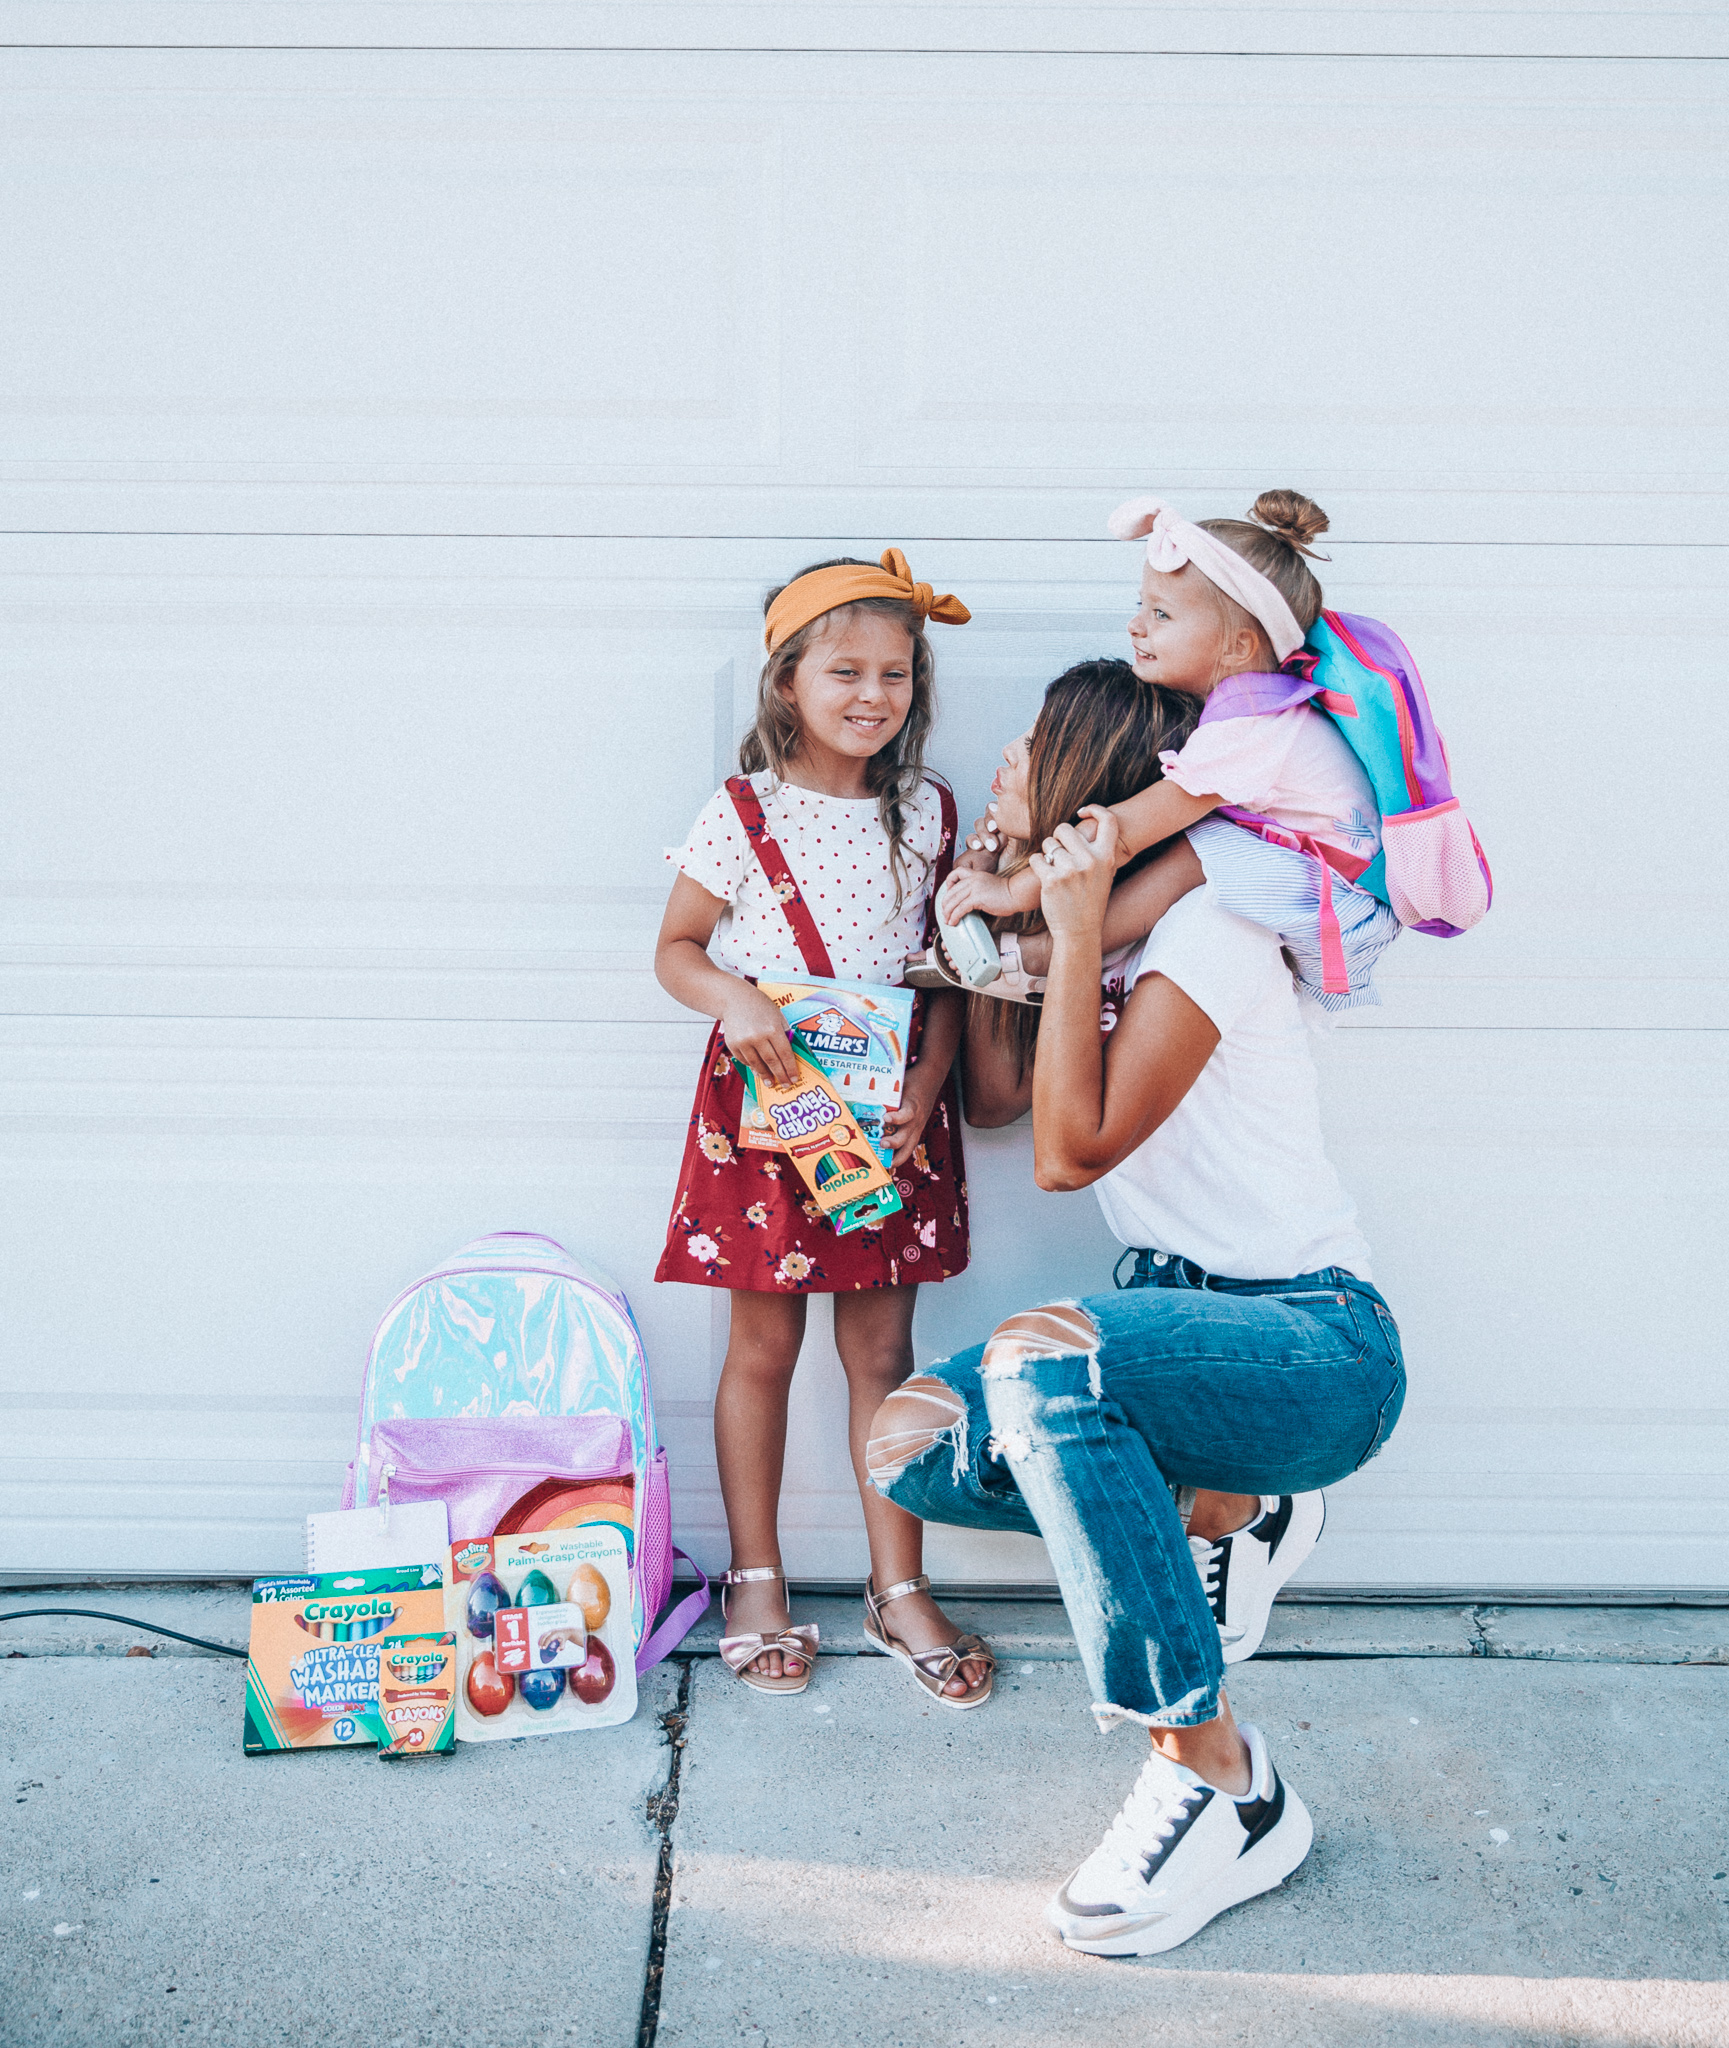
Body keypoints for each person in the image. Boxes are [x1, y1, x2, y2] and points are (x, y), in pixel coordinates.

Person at [865, 681, 1407, 1955]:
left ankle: (1218, 1777)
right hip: (1167, 1331)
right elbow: (1000, 1098)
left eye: (1030, 747)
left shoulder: (1206, 934)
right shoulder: (1092, 946)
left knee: (1039, 1358)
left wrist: (1054, 920)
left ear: (1090, 796)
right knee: (910, 1444)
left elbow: (1067, 1150)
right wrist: (1004, 931)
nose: (1001, 756)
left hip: (1312, 1339)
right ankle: (1231, 1500)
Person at [654, 550, 994, 1707]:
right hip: (768, 1113)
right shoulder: (740, 811)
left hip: (887, 1119)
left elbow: (944, 973)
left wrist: (929, 1081)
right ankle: (758, 1578)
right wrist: (737, 997)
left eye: (895, 672)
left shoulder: (930, 808)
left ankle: (897, 1586)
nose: (872, 694)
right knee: (761, 1349)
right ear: (786, 679)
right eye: (843, 669)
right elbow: (675, 951)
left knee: (881, 1356)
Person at [940, 489, 1403, 1011]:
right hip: (1325, 889)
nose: (1136, 625)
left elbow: (1119, 834)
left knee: (1195, 852)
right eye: (1142, 606)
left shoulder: (1250, 731)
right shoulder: (1257, 713)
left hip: (1344, 907)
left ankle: (1043, 956)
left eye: (1161, 614)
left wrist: (1011, 892)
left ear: (1237, 647)